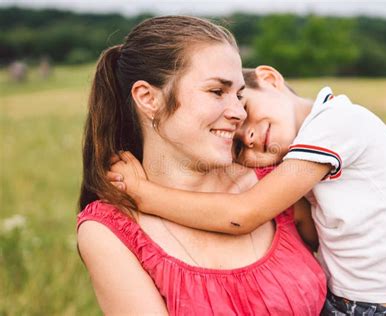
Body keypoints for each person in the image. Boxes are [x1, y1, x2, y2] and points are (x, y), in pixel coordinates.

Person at [109, 65, 386, 315]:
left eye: (245, 110)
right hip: (355, 302)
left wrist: (143, 194)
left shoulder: (336, 124)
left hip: (374, 308)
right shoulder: (309, 147)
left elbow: (243, 215)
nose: (245, 135)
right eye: (237, 149)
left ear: (269, 78)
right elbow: (307, 228)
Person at [77, 17, 327, 315]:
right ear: (148, 98)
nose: (237, 112)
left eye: (239, 95)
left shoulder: (274, 180)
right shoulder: (110, 231)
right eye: (217, 92)